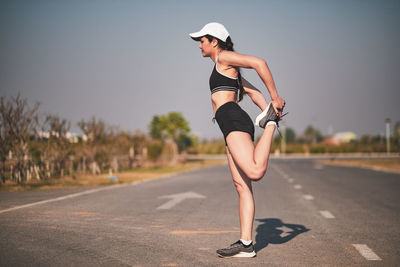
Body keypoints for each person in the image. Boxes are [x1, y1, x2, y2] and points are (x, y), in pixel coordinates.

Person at [189, 22, 286, 258]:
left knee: (254, 172)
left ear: (215, 41)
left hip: (233, 119)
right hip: (228, 123)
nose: (199, 45)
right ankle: (246, 244)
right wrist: (267, 108)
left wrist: (274, 101)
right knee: (241, 186)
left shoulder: (224, 57)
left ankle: (271, 126)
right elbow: (252, 92)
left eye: (202, 40)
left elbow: (259, 63)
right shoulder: (225, 68)